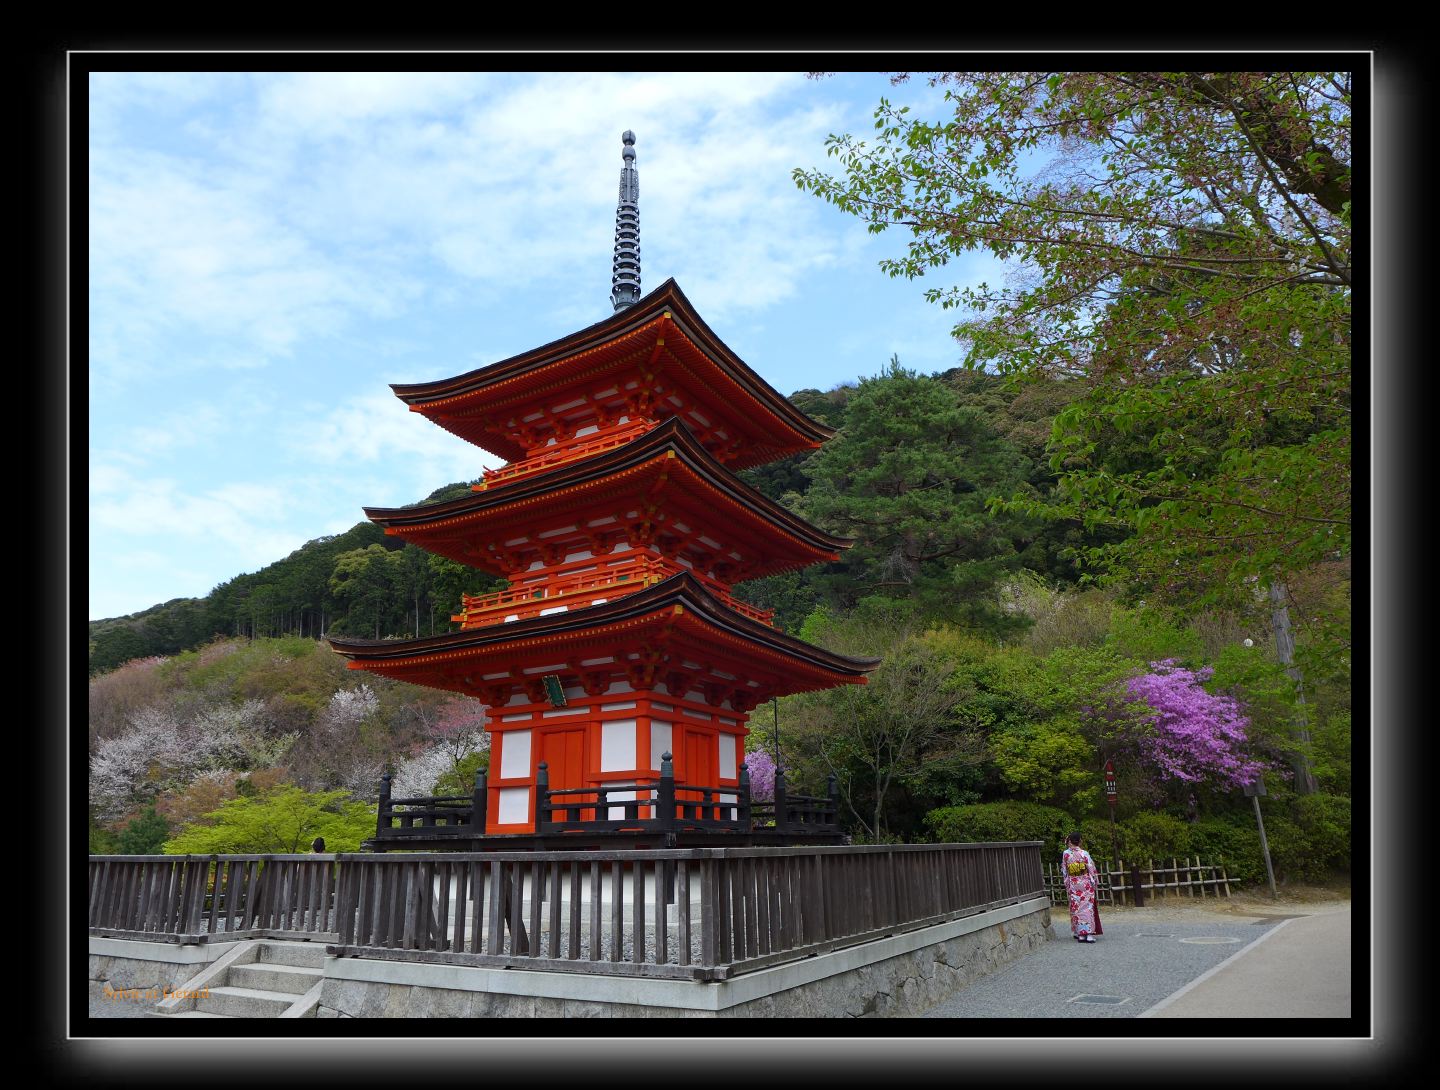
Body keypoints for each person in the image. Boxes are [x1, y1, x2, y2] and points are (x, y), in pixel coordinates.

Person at [1062, 832, 1102, 943]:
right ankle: (1088, 935)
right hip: (1085, 885)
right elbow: (1091, 869)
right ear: (1079, 841)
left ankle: (1080, 934)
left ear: (1070, 841)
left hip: (1074, 885)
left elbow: (1064, 871)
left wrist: (1067, 884)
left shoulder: (1066, 854)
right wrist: (1095, 882)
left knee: (1076, 909)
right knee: (1087, 909)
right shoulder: (1084, 853)